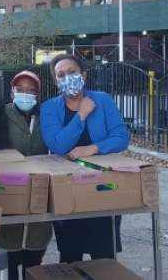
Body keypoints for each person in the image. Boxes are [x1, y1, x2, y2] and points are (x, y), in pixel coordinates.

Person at [39, 54, 130, 263]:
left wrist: (94, 148)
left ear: (84, 75)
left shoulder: (103, 99)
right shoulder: (49, 108)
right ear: (55, 81)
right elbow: (57, 144)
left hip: (104, 187)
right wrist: (81, 115)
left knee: (104, 256)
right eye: (61, 75)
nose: (67, 78)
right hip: (68, 189)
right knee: (71, 255)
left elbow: (121, 137)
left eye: (72, 72)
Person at [0, 71, 52, 280]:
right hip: (9, 188)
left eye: (31, 90)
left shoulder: (46, 115)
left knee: (33, 260)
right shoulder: (2, 113)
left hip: (40, 189)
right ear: (12, 92)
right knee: (8, 260)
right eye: (19, 90)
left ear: (38, 93)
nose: (25, 94)